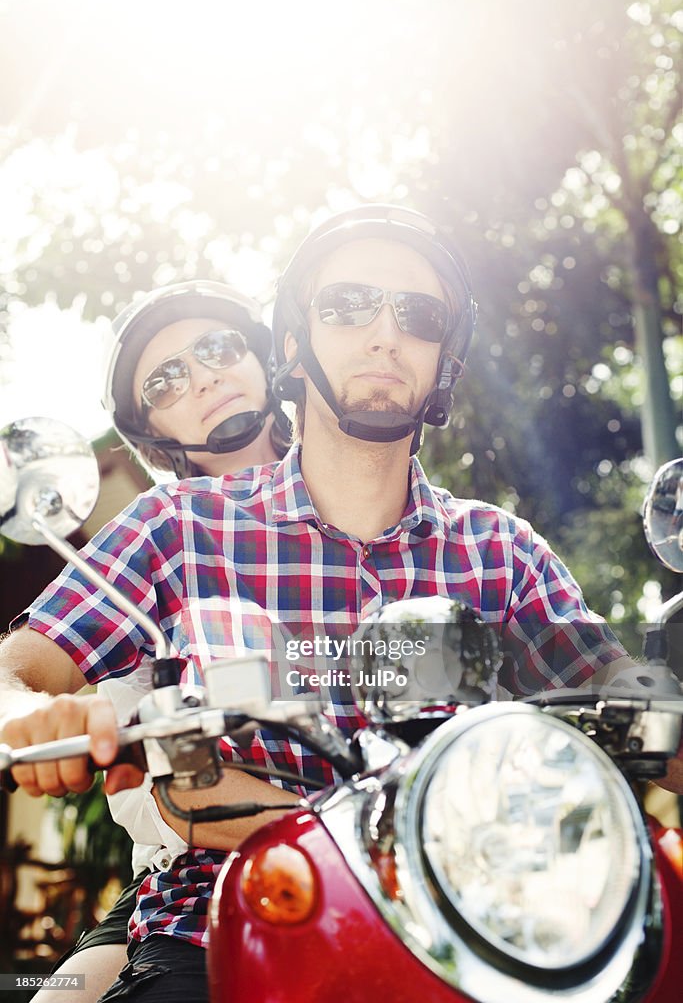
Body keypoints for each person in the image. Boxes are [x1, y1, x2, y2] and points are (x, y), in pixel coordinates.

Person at [0, 204, 661, 1003]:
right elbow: (22, 669)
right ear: (293, 344)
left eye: (418, 316)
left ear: (442, 360)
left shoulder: (503, 550)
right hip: (219, 921)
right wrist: (31, 715)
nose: (385, 333)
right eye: (348, 305)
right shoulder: (178, 526)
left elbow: (627, 689)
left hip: (475, 933)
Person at [8, 280, 291, 1003]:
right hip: (182, 873)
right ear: (152, 434)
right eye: (166, 381)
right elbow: (19, 668)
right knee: (59, 998)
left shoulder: (392, 508)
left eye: (218, 348)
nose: (203, 376)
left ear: (263, 361)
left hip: (395, 854)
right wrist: (28, 716)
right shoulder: (153, 531)